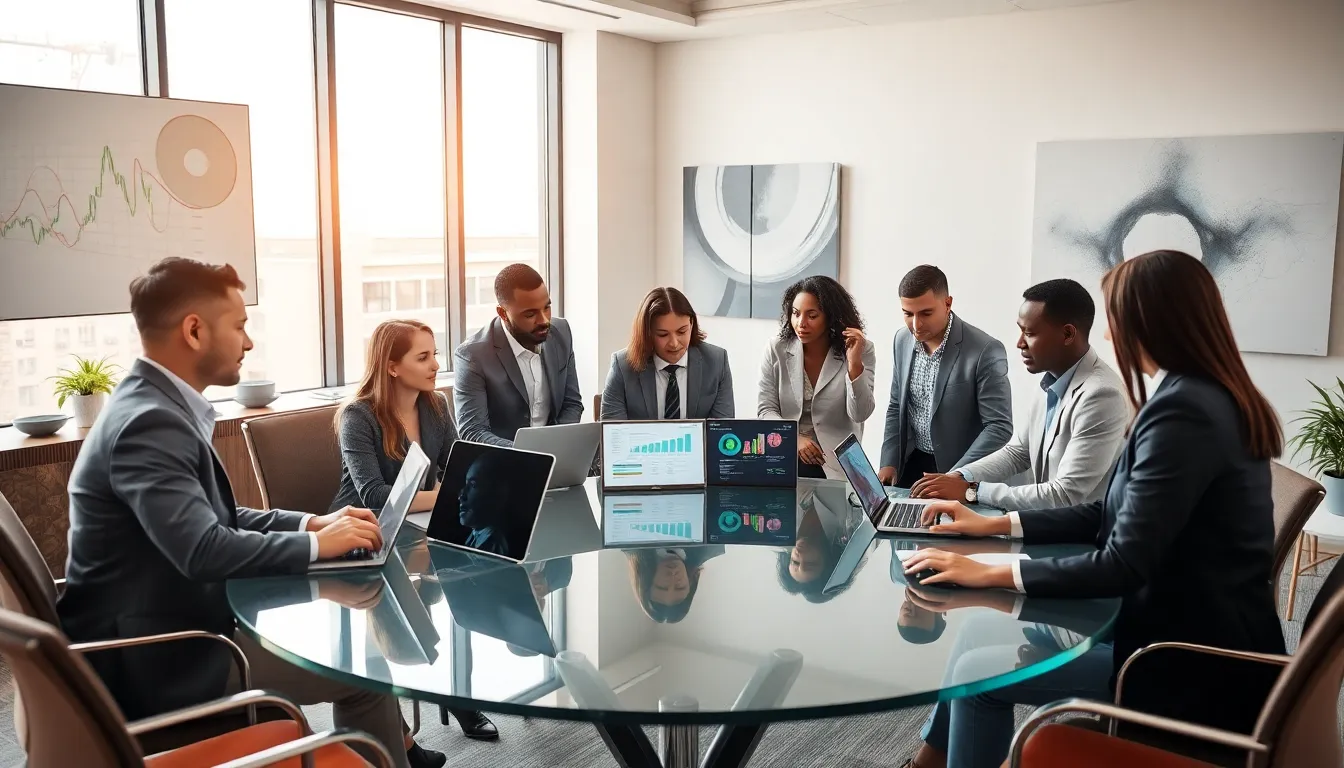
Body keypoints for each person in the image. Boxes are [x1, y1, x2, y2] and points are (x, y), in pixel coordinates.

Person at [900, 251, 1287, 768]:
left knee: (978, 677)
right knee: (974, 636)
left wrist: (990, 572)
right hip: (1182, 629)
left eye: (1117, 320)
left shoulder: (1184, 413)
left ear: (1153, 322)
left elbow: (1122, 563)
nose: (1109, 334)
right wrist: (991, 523)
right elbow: (1107, 512)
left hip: (1182, 663)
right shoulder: (1201, 396)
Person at [57, 258, 439, 768]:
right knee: (363, 675)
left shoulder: (151, 405)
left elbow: (218, 516)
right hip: (161, 662)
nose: (249, 341)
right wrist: (316, 546)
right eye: (239, 326)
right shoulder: (150, 422)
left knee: (361, 664)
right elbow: (202, 549)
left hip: (171, 634)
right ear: (195, 331)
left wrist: (312, 524)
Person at [331, 319, 498, 742]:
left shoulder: (435, 405)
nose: (436, 365)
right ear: (391, 366)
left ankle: (458, 694)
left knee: (466, 587)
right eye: (423, 357)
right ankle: (396, 734)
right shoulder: (358, 415)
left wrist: (466, 486)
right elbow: (374, 495)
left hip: (418, 527)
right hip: (362, 535)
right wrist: (446, 494)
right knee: (396, 612)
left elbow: (458, 467)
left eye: (434, 354)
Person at [910, 279, 1129, 509]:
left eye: (1030, 333)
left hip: (1081, 530)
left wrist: (972, 491)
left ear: (1067, 334)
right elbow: (1018, 452)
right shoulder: (1050, 381)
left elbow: (1065, 494)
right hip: (1046, 522)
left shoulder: (1102, 396)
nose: (1020, 343)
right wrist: (960, 477)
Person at [878, 265, 1012, 488]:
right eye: (908, 314)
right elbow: (896, 406)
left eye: (926, 313)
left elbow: (999, 427)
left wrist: (957, 475)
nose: (916, 325)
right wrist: (889, 462)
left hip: (961, 469)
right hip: (912, 462)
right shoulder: (901, 340)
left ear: (948, 304)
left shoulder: (986, 350)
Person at [758, 276, 875, 479]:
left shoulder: (860, 349)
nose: (801, 323)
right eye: (796, 313)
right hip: (786, 454)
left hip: (838, 462)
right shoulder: (776, 348)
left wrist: (854, 364)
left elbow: (860, 414)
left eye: (812, 316)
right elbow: (766, 410)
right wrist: (793, 438)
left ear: (831, 317)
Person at [453, 263, 583, 446]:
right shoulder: (472, 356)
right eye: (530, 314)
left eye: (547, 308)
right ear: (503, 313)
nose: (544, 321)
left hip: (556, 452)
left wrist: (556, 445)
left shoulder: (561, 332)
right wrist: (528, 454)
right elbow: (472, 431)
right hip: (504, 458)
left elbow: (572, 403)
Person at [601, 287, 734, 420]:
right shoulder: (623, 366)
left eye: (682, 332)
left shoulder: (716, 362)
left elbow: (723, 428)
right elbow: (612, 430)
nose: (674, 343)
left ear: (691, 324)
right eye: (663, 334)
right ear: (647, 332)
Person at [625, 546, 724, 623]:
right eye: (680, 587)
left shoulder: (629, 542)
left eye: (663, 587)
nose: (672, 577)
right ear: (690, 583)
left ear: (647, 579)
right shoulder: (712, 546)